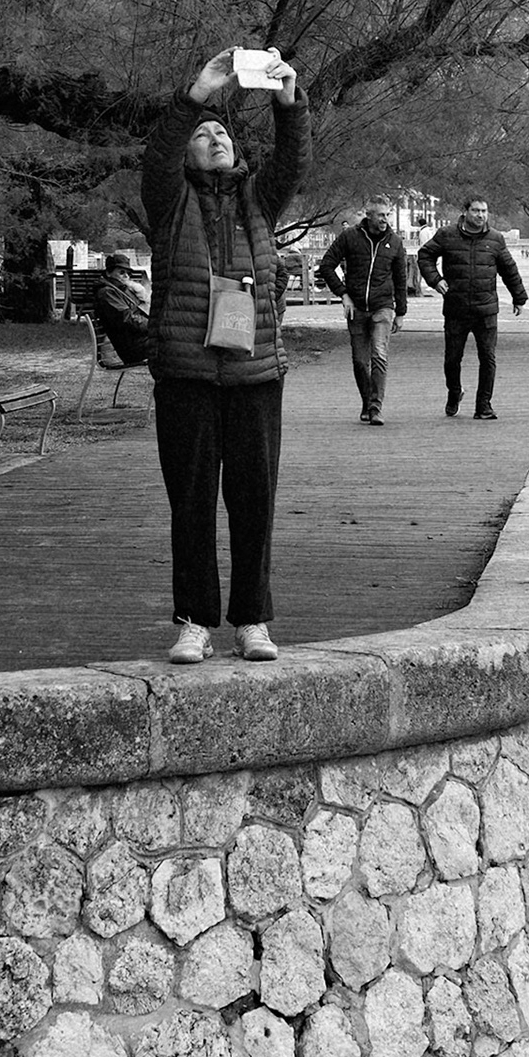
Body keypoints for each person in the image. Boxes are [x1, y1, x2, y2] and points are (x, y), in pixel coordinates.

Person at [140, 45, 310, 665]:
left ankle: (252, 621)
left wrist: (288, 102)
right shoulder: (170, 202)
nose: (214, 139)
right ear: (188, 153)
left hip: (254, 374)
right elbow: (158, 155)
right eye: (203, 135)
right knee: (190, 506)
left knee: (253, 504)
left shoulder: (257, 201)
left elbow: (293, 161)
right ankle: (194, 623)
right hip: (186, 373)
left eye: (223, 134)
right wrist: (197, 97)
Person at [417, 196, 527, 418]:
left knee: (487, 358)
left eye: (484, 211)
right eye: (476, 210)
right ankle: (454, 392)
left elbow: (509, 269)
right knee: (452, 359)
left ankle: (483, 405)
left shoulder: (495, 239)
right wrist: (436, 280)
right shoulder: (447, 235)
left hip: (486, 309)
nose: (480, 215)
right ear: (465, 212)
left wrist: (519, 297)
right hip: (456, 308)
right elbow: (425, 255)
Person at [317, 200, 410, 426]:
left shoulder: (395, 242)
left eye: (387, 215)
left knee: (379, 355)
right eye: (380, 215)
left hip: (382, 307)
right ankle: (367, 401)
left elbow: (400, 279)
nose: (385, 220)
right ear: (369, 216)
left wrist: (401, 311)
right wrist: (343, 294)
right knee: (360, 361)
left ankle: (376, 407)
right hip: (356, 307)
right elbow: (326, 265)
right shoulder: (350, 237)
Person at [96, 253, 152, 366]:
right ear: (108, 273)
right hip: (133, 348)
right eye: (121, 272)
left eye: (128, 273)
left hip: (140, 340)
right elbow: (127, 319)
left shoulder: (122, 290)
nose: (126, 276)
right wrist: (154, 325)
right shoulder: (107, 293)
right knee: (175, 342)